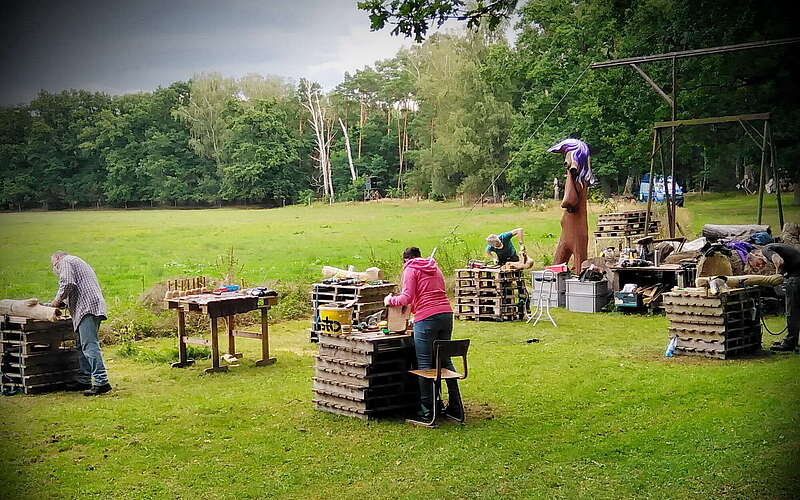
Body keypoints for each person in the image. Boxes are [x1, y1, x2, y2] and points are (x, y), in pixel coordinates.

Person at [384, 247, 462, 422]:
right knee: (445, 359)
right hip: (446, 315)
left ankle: (427, 409)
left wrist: (389, 300)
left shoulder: (410, 269)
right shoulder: (434, 267)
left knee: (425, 363)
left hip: (426, 318)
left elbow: (406, 298)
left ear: (405, 260)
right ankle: (455, 405)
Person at [45, 251, 112, 395]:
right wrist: (58, 304)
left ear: (57, 258)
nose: (55, 268)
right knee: (82, 345)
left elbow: (67, 282)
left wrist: (56, 301)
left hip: (86, 307)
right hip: (90, 305)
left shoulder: (65, 261)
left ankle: (102, 382)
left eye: (54, 265)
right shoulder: (76, 261)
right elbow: (74, 287)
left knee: (89, 345)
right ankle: (84, 380)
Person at [548, 138, 594, 270]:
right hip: (569, 230)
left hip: (576, 230)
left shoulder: (577, 180)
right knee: (556, 267)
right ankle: (555, 287)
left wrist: (570, 171)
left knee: (580, 267)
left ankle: (578, 288)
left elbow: (568, 201)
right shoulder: (580, 180)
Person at [750, 243, 800, 352]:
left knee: (793, 311)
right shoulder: (777, 246)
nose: (760, 266)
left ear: (755, 255)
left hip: (797, 277)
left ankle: (790, 343)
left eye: (756, 264)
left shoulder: (765, 250)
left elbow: (779, 261)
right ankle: (792, 340)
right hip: (796, 273)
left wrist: (777, 276)